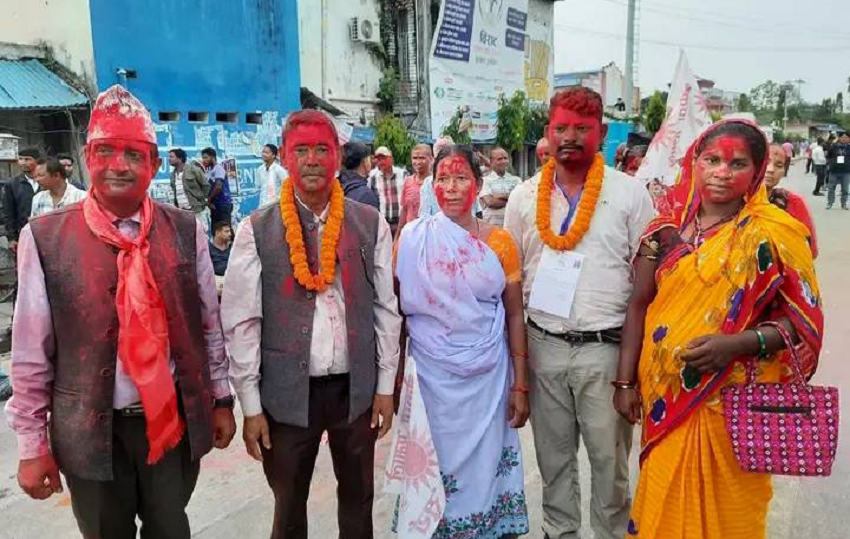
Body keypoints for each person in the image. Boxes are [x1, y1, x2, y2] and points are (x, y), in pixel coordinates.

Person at [5, 85, 236, 539]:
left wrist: (222, 399)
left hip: (172, 425)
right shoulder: (44, 238)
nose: (118, 165)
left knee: (170, 529)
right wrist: (32, 445)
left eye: (133, 154)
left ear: (152, 163)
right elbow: (30, 354)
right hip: (89, 432)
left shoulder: (184, 230)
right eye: (105, 151)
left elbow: (209, 325)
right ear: (87, 158)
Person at [614, 119, 823, 539]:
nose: (722, 172)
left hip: (733, 402)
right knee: (663, 503)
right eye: (712, 160)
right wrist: (624, 382)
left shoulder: (773, 232)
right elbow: (637, 305)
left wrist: (738, 344)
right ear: (695, 163)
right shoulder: (664, 231)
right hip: (665, 397)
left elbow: (801, 320)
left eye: (737, 162)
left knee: (729, 517)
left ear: (758, 169)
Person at [222, 109, 401, 539]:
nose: (312, 160)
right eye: (301, 150)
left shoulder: (368, 222)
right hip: (285, 396)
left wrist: (384, 387)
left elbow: (385, 307)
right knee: (288, 508)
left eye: (322, 149)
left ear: (337, 156)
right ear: (285, 157)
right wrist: (250, 406)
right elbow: (242, 322)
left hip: (354, 391)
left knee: (358, 502)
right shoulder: (256, 229)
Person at [503, 87, 655, 539]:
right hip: (543, 346)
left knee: (610, 466)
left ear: (602, 133)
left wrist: (630, 375)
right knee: (553, 461)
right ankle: (559, 533)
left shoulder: (630, 195)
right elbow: (511, 283)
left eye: (582, 129)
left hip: (605, 354)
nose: (570, 137)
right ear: (547, 133)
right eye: (561, 128)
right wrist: (520, 373)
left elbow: (644, 291)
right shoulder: (523, 197)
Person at [394, 145, 530, 538]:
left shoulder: (499, 243)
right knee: (435, 464)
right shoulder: (413, 238)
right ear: (430, 186)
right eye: (442, 179)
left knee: (485, 466)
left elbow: (515, 314)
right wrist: (396, 376)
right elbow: (398, 313)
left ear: (479, 184)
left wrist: (521, 383)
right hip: (430, 381)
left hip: (488, 381)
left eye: (460, 179)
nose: (451, 189)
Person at [764, 144, 818, 257]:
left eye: (779, 165)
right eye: (765, 163)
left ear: (784, 171)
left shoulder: (792, 202)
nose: (771, 170)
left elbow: (810, 251)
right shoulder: (732, 204)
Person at [419, 137, 482, 218]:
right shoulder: (428, 183)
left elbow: (477, 209)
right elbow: (424, 214)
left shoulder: (469, 176)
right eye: (443, 179)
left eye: (461, 178)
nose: (451, 187)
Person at [3, 147, 41, 252]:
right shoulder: (12, 184)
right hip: (24, 234)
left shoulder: (45, 180)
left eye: (27, 159)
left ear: (37, 161)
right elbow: (9, 213)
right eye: (20, 159)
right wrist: (11, 238)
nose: (23, 162)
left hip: (46, 232)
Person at [169, 148, 211, 233]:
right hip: (183, 212)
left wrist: (203, 201)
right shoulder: (173, 175)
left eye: (171, 157)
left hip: (196, 210)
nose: (169, 159)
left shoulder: (193, 170)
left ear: (180, 158)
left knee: (201, 234)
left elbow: (206, 185)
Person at [368, 146, 405, 235]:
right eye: (378, 159)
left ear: (391, 158)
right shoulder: (372, 178)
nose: (381, 162)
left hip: (400, 223)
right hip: (383, 224)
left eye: (383, 158)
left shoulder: (403, 175)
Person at [480, 147, 521, 227]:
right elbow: (490, 202)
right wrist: (511, 197)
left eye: (505, 158)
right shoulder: (484, 181)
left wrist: (500, 196)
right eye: (499, 159)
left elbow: (521, 200)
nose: (503, 161)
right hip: (491, 229)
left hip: (512, 228)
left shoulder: (516, 180)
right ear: (491, 162)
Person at [396, 143, 431, 236]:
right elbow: (405, 210)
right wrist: (397, 237)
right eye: (415, 158)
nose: (418, 162)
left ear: (431, 159)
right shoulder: (408, 181)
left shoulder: (435, 182)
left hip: (430, 235)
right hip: (410, 235)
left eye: (422, 158)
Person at [339, 141, 380, 209]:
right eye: (369, 159)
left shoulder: (337, 185)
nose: (372, 162)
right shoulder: (366, 195)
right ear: (364, 162)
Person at [201, 147, 233, 225]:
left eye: (205, 157)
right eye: (202, 158)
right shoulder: (209, 171)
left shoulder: (218, 169)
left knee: (225, 229)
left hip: (223, 204)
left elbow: (218, 187)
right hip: (215, 205)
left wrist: (209, 199)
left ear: (212, 158)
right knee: (216, 230)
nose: (203, 160)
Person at [826, 132, 850, 210]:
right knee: (831, 188)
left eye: (846, 137)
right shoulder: (834, 146)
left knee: (845, 189)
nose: (844, 139)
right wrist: (830, 164)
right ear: (839, 138)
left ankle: (843, 204)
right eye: (843, 137)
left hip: (846, 171)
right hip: (834, 171)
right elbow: (828, 156)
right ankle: (830, 203)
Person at [209, 220, 232, 297]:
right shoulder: (208, 248)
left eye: (230, 231)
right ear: (217, 233)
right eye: (226, 231)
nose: (230, 234)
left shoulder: (232, 247)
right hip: (214, 285)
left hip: (231, 284)